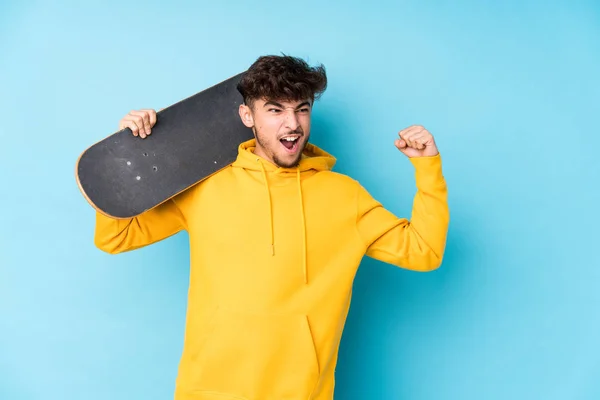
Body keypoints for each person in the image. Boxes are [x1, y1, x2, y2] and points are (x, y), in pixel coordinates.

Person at [94, 54, 450, 400]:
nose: (292, 124)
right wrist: (124, 158)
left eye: (302, 109)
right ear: (247, 115)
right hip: (208, 391)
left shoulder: (345, 197)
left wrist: (427, 168)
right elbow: (116, 237)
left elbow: (424, 252)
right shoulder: (206, 187)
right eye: (275, 110)